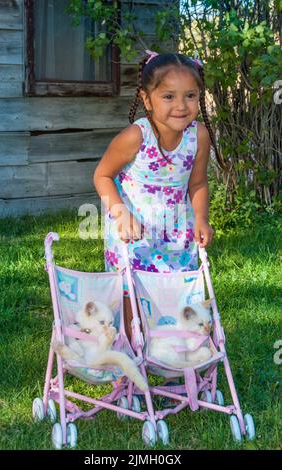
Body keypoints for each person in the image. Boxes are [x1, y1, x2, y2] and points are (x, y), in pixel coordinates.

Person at [93, 50, 226, 338]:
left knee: (178, 290)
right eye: (169, 96)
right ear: (146, 99)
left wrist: (201, 219)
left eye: (190, 96)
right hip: (133, 230)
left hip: (177, 229)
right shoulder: (136, 137)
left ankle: (171, 352)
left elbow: (198, 183)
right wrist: (119, 212)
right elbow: (102, 175)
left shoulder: (198, 136)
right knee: (132, 291)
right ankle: (132, 350)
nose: (181, 105)